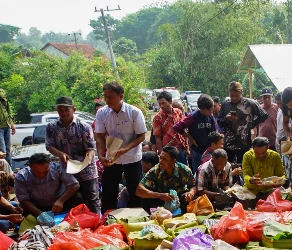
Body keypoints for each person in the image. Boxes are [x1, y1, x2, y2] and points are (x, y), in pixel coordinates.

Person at [95, 82, 147, 212]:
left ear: (121, 96)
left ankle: (134, 219)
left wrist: (125, 149)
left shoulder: (134, 112)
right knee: (108, 192)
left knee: (135, 191)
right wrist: (101, 155)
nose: (107, 100)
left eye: (111, 97)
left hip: (132, 156)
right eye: (105, 96)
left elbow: (141, 136)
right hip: (112, 158)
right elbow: (100, 136)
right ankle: (108, 221)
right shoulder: (102, 113)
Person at [46, 96, 100, 213]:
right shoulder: (52, 127)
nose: (64, 113)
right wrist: (60, 154)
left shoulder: (83, 126)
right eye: (61, 110)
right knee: (71, 202)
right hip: (66, 170)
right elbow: (49, 146)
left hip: (86, 170)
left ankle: (96, 228)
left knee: (92, 202)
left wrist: (88, 160)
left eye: (67, 110)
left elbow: (91, 149)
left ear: (74, 109)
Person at [217, 81, 268, 167]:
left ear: (241, 93)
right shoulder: (226, 104)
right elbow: (219, 122)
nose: (234, 98)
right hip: (229, 143)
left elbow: (264, 115)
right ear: (229, 93)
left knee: (245, 167)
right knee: (228, 167)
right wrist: (226, 118)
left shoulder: (250, 103)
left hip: (244, 143)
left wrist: (251, 124)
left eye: (237, 95)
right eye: (232, 95)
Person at [15, 153, 82, 217]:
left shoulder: (57, 168)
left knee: (77, 197)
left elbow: (75, 184)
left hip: (58, 203)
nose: (42, 175)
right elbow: (23, 200)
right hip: (37, 206)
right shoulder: (21, 176)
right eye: (38, 173)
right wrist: (40, 214)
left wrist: (60, 201)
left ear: (49, 165)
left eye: (45, 172)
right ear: (30, 167)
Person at [136, 146, 196, 213]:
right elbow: (139, 190)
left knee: (193, 197)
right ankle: (153, 216)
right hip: (161, 199)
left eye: (165, 159)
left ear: (173, 161)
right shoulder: (155, 170)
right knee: (146, 194)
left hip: (179, 199)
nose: (161, 161)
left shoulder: (184, 170)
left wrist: (191, 193)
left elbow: (193, 186)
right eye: (160, 158)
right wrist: (159, 195)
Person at [173, 95, 216, 174]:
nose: (211, 112)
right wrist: (190, 137)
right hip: (197, 151)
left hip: (208, 150)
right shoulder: (192, 117)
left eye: (212, 109)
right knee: (198, 173)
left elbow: (213, 132)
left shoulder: (211, 117)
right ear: (202, 109)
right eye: (210, 110)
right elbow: (177, 127)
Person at [152, 91, 187, 164]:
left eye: (164, 103)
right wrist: (161, 154)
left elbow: (184, 130)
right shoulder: (158, 118)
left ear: (170, 101)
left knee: (183, 172)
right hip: (168, 152)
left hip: (181, 149)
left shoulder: (178, 112)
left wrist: (187, 148)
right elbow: (157, 138)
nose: (161, 106)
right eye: (159, 103)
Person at [0, 88, 16, 164]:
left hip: (6, 124)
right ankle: (3, 171)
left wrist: (12, 124)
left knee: (8, 150)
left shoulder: (2, 92)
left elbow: (8, 110)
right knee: (2, 150)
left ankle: (9, 171)